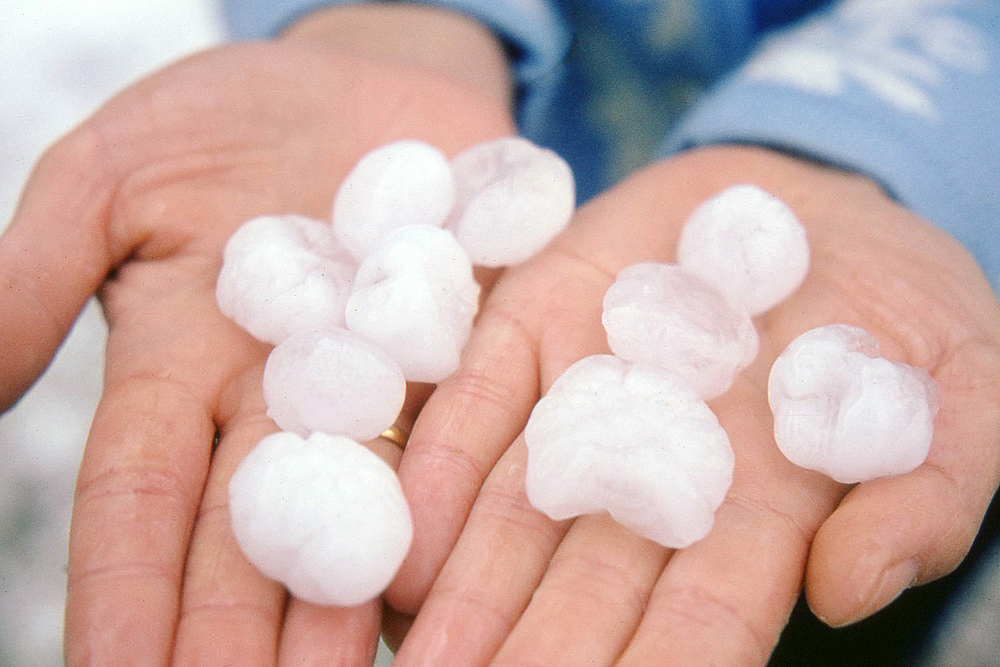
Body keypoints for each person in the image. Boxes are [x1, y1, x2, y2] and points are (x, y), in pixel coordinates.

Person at [1, 0, 997, 664]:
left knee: (836, 585)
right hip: (547, 146)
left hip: (943, 223)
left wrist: (909, 142)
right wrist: (391, 15)